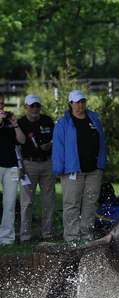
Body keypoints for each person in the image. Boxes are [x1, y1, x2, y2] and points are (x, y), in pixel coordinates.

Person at [52, 90, 107, 242]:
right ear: (70, 104)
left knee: (90, 203)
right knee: (72, 203)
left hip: (94, 169)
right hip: (72, 170)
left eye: (82, 101)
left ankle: (86, 236)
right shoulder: (63, 123)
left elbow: (102, 143)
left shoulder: (94, 119)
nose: (80, 104)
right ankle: (72, 238)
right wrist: (59, 170)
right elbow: (58, 148)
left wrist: (101, 163)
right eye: (76, 102)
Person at [18, 94, 56, 243]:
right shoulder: (20, 123)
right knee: (27, 201)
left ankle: (47, 234)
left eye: (37, 105)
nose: (35, 108)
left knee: (49, 200)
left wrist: (50, 145)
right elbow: (16, 144)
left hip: (47, 163)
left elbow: (55, 138)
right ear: (25, 107)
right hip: (29, 164)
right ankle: (25, 236)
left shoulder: (47, 120)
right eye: (32, 105)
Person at [0, 93, 26, 245]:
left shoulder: (10, 118)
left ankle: (6, 238)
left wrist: (15, 124)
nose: (1, 106)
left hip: (11, 167)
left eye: (3, 103)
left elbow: (22, 140)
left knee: (9, 204)